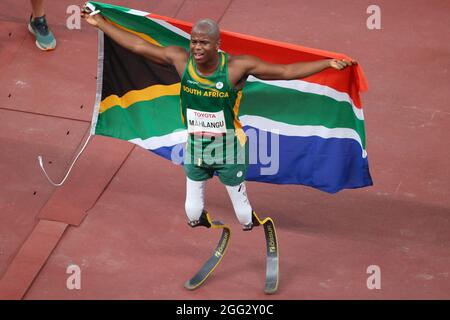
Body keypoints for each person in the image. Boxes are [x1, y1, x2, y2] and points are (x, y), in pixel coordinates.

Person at [81, 9, 354, 231]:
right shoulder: (183, 59)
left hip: (220, 149)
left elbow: (284, 71)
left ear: (217, 45)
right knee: (227, 208)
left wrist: (326, 64)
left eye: (203, 43)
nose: (197, 48)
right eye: (194, 41)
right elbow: (139, 45)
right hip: (208, 148)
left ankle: (209, 222)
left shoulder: (235, 68)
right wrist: (101, 22)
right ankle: (243, 224)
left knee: (207, 203)